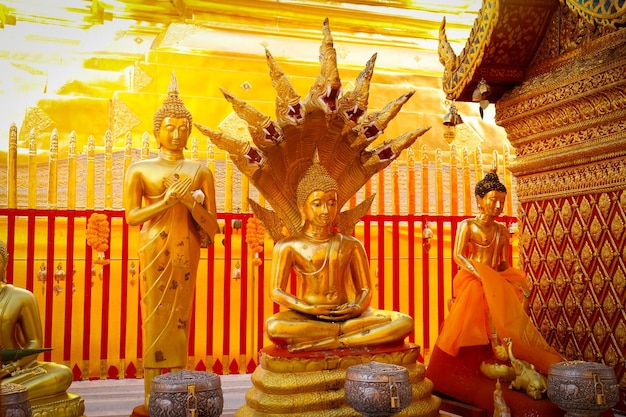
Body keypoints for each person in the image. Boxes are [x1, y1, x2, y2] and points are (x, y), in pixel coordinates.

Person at [123, 73, 219, 408]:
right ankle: (153, 395)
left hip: (186, 247)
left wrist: (191, 203)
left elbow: (213, 226)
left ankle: (175, 393)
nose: (176, 134)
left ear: (189, 132)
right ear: (156, 131)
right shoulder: (140, 169)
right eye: (170, 127)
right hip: (154, 247)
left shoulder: (200, 170)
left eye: (182, 128)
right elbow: (131, 217)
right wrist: (165, 201)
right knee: (154, 316)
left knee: (179, 316)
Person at [264, 162, 414, 352]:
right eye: (317, 204)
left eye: (332, 203)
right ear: (303, 207)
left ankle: (338, 341)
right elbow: (276, 291)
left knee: (404, 322)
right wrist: (310, 309)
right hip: (307, 316)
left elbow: (366, 289)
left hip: (350, 316)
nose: (326, 211)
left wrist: (357, 307)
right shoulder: (288, 246)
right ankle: (347, 335)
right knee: (274, 327)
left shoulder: (351, 244)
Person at [434, 171, 562, 375]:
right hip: (472, 276)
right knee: (484, 296)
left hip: (495, 276)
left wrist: (516, 282)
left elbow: (502, 262)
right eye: (493, 200)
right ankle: (495, 344)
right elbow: (458, 256)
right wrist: (480, 274)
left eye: (502, 202)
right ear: (480, 200)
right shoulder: (468, 226)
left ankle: (514, 343)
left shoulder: (502, 230)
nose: (498, 206)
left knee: (518, 296)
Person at [0, 240, 74, 399]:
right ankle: (9, 393)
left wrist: (12, 367)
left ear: (5, 264)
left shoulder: (21, 297)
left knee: (63, 374)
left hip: (14, 370)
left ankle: (8, 391)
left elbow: (34, 342)